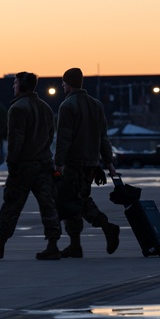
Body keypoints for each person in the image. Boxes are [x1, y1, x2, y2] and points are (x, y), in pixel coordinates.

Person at [0, 72, 63, 260]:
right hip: (44, 163)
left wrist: (12, 163)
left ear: (22, 85)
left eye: (15, 83)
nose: (13, 86)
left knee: (12, 204)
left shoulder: (17, 109)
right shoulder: (46, 107)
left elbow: (16, 140)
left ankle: (0, 244)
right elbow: (50, 136)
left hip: (24, 165)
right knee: (48, 204)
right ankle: (53, 244)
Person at [53, 67, 120, 258]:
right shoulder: (96, 104)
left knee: (71, 201)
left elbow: (64, 139)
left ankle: (102, 229)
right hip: (91, 163)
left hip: (73, 163)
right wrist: (109, 163)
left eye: (63, 82)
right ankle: (79, 243)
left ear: (68, 83)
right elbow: (103, 137)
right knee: (79, 199)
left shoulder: (67, 106)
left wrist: (58, 164)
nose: (62, 85)